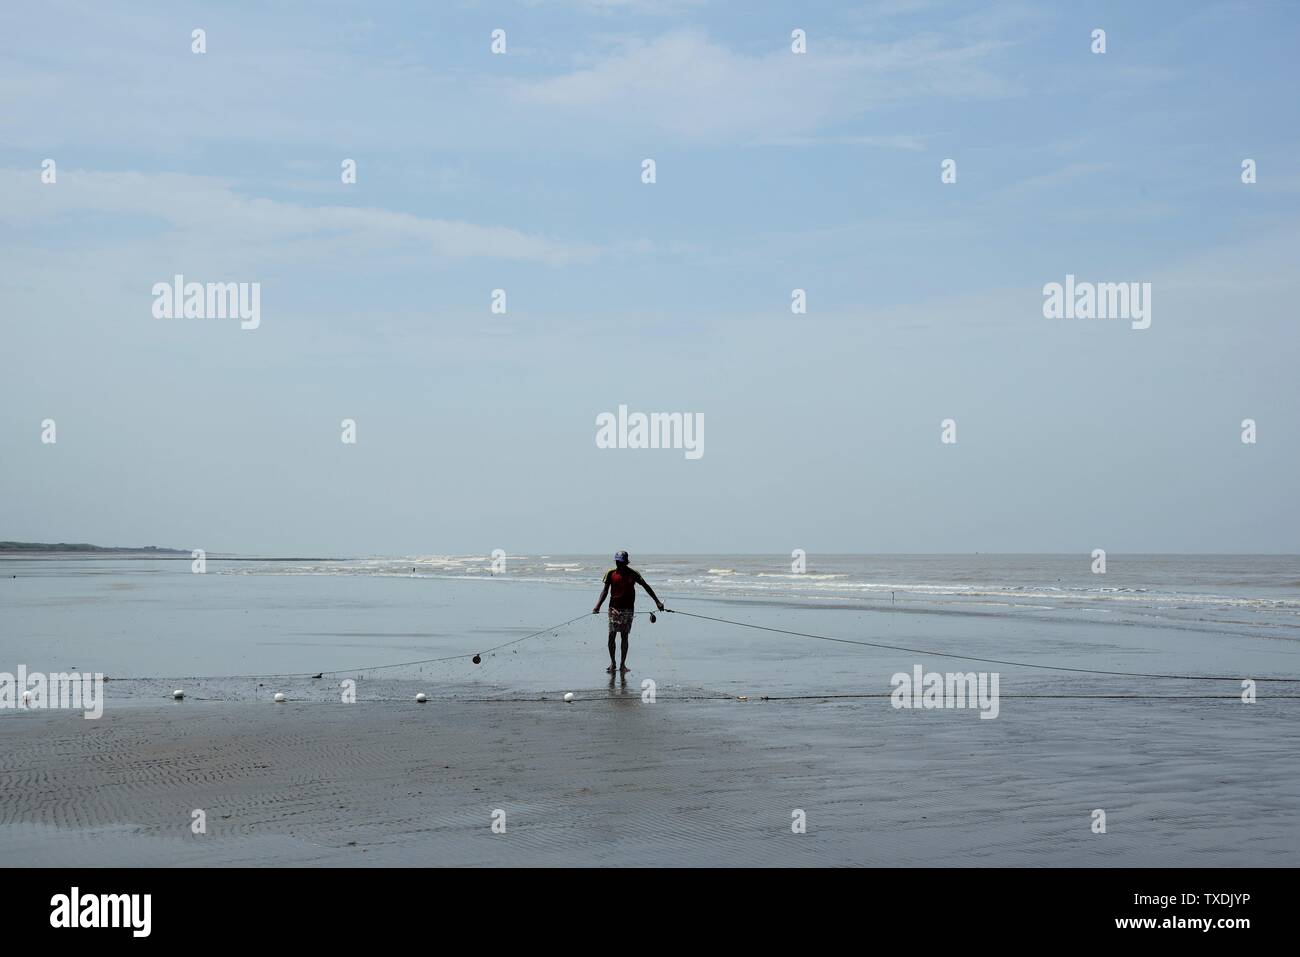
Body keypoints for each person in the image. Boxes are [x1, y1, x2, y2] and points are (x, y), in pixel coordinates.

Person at [592, 551, 664, 674]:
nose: (618, 564)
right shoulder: (610, 573)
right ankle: (613, 663)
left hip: (628, 608)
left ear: (625, 562)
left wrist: (657, 602)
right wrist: (597, 606)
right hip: (613, 608)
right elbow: (605, 591)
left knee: (624, 636)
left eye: (621, 562)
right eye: (617, 561)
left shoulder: (633, 574)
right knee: (612, 634)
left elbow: (646, 586)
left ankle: (622, 664)